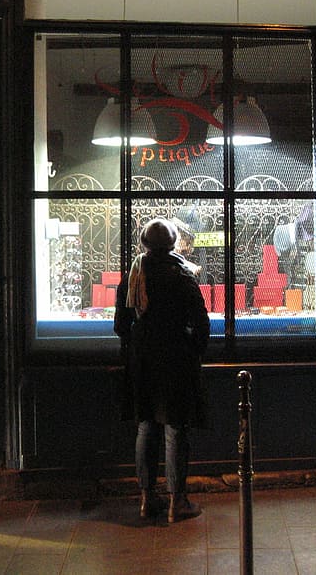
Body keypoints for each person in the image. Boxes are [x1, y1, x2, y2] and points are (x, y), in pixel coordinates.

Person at [114, 218, 210, 522]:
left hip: (142, 362)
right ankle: (177, 502)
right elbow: (202, 323)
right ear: (173, 243)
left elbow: (120, 325)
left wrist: (139, 345)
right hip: (176, 359)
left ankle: (146, 499)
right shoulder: (183, 276)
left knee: (146, 425)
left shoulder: (133, 276)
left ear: (144, 244)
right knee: (176, 428)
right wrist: (192, 350)